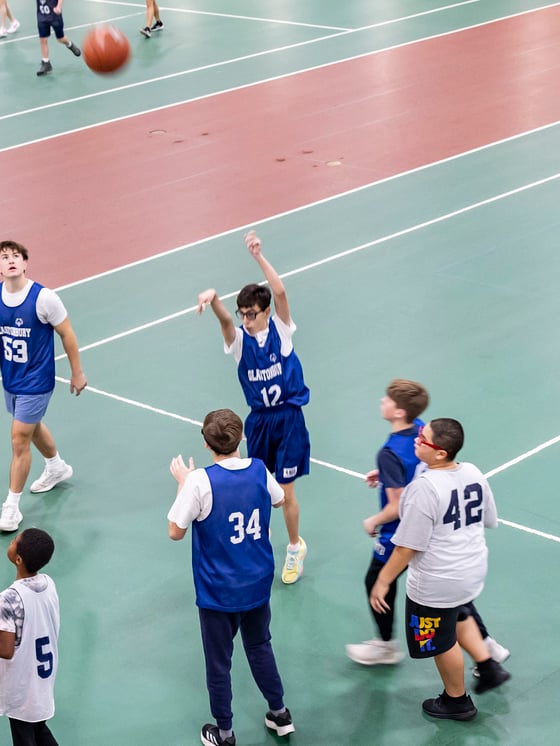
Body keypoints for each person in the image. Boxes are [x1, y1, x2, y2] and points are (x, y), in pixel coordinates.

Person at [347, 381, 510, 667]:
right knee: (455, 598)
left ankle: (386, 646)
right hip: (439, 528)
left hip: (403, 531)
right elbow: (415, 467)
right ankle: (486, 645)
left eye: (386, 400)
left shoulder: (390, 452)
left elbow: (397, 507)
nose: (381, 402)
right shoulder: (421, 428)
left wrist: (373, 519)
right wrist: (386, 476)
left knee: (378, 581)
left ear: (398, 412)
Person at [166, 409, 295, 746]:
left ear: (207, 444)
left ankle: (223, 733)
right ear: (241, 438)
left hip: (218, 591)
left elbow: (175, 532)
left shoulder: (199, 481)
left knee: (219, 662)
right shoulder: (258, 469)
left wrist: (183, 484)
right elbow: (280, 500)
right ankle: (280, 714)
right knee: (260, 646)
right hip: (257, 582)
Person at [370, 418, 510, 721]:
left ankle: (456, 701)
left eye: (424, 439)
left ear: (440, 454)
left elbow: (408, 547)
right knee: (459, 611)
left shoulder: (424, 489)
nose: (417, 439)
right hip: (471, 569)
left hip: (437, 582)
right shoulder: (472, 471)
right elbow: (488, 518)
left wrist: (383, 581)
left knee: (439, 641)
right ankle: (487, 666)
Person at [196, 230, 309, 584]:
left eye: (251, 314)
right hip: (258, 421)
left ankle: (294, 547)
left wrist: (259, 256)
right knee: (262, 486)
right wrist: (215, 300)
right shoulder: (240, 344)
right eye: (242, 313)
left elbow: (280, 292)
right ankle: (265, 536)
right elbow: (226, 323)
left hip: (289, 419)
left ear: (265, 313)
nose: (245, 319)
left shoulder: (282, 329)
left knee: (286, 491)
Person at [0, 240, 87, 533]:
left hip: (37, 379)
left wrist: (77, 372)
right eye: (4, 257)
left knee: (19, 438)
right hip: (12, 378)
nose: (10, 261)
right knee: (31, 427)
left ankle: (11, 508)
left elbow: (67, 334)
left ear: (25, 263)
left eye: (16, 256)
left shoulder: (44, 298)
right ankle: (56, 467)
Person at [0, 528, 60, 745]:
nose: (11, 541)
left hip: (22, 685)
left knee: (25, 736)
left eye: (14, 541)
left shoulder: (8, 599)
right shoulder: (48, 584)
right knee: (38, 728)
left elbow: (6, 650)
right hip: (42, 678)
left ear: (17, 559)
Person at [34, 0, 81, 76]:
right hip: (42, 16)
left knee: (60, 38)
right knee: (43, 39)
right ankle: (46, 63)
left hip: (54, 16)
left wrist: (59, 6)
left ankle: (69, 44)